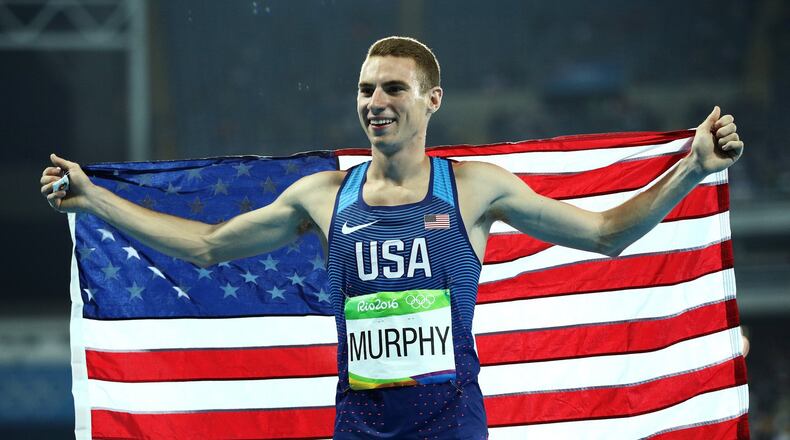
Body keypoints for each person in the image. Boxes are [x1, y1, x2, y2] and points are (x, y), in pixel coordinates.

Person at [40, 36, 744, 439]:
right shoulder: (323, 196)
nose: (375, 103)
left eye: (393, 89)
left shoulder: (474, 189)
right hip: (360, 429)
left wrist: (691, 168)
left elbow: (607, 234)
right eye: (365, 89)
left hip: (452, 427)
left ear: (432, 100)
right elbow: (207, 246)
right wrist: (95, 199)